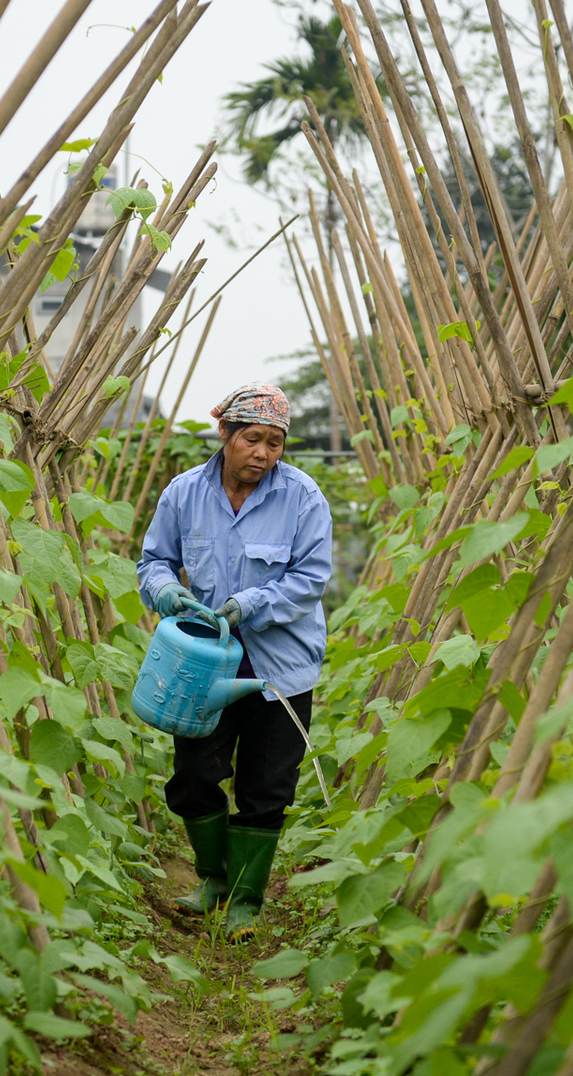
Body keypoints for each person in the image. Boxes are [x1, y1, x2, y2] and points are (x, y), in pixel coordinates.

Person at [136, 383, 332, 939]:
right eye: (252, 439)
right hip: (202, 664)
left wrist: (248, 604)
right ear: (224, 433)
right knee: (196, 775)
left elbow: (311, 578)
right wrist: (164, 592)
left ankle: (245, 900)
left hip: (278, 668)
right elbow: (154, 561)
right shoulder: (183, 494)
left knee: (267, 786)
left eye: (275, 443)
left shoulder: (303, 497)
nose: (264, 454)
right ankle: (212, 880)